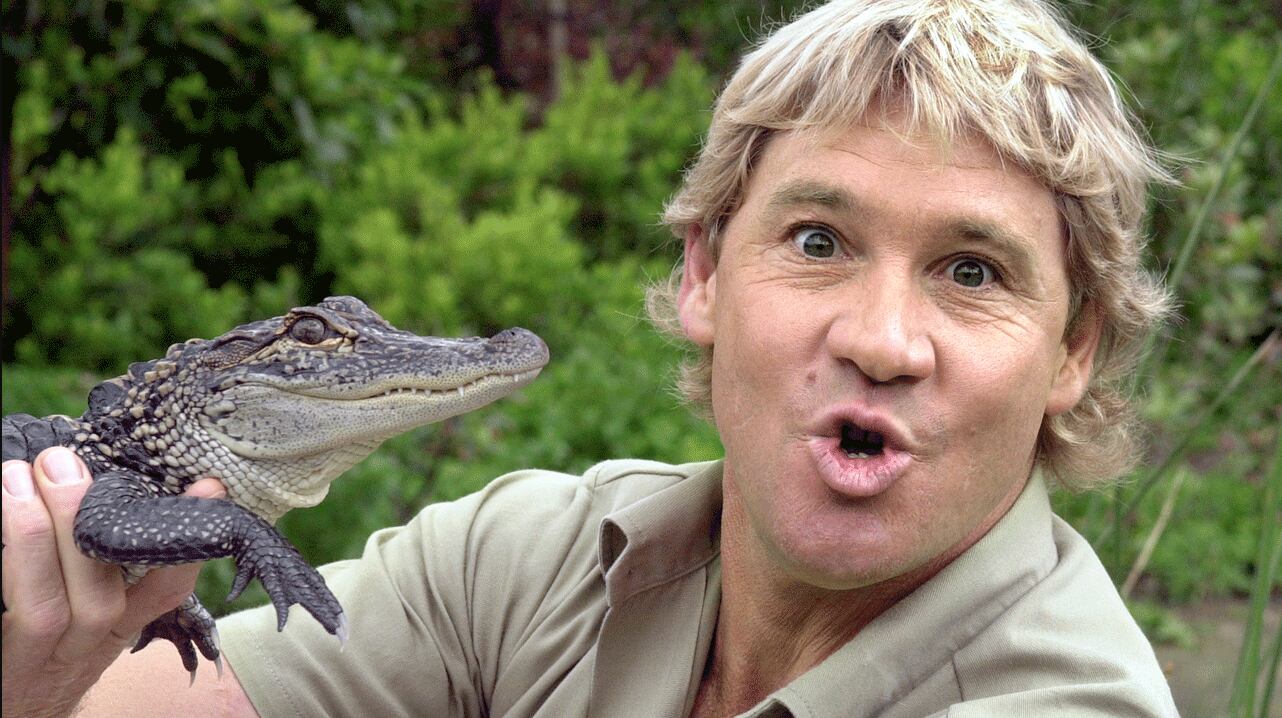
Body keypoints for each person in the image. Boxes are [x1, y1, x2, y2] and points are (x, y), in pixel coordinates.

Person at [2, 0, 1180, 715]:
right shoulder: (525, 562)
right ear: (704, 274)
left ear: (1072, 347)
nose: (880, 339)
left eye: (972, 270)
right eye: (818, 242)